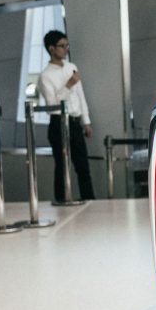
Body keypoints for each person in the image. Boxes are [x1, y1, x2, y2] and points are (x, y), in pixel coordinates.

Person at [37, 30, 95, 202]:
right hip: (58, 123)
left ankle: (90, 200)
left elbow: (81, 96)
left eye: (67, 45)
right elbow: (52, 104)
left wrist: (86, 121)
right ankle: (62, 201)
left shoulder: (71, 67)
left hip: (75, 122)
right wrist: (68, 85)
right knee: (62, 167)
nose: (66, 49)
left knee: (83, 165)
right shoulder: (45, 76)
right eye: (62, 46)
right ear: (51, 49)